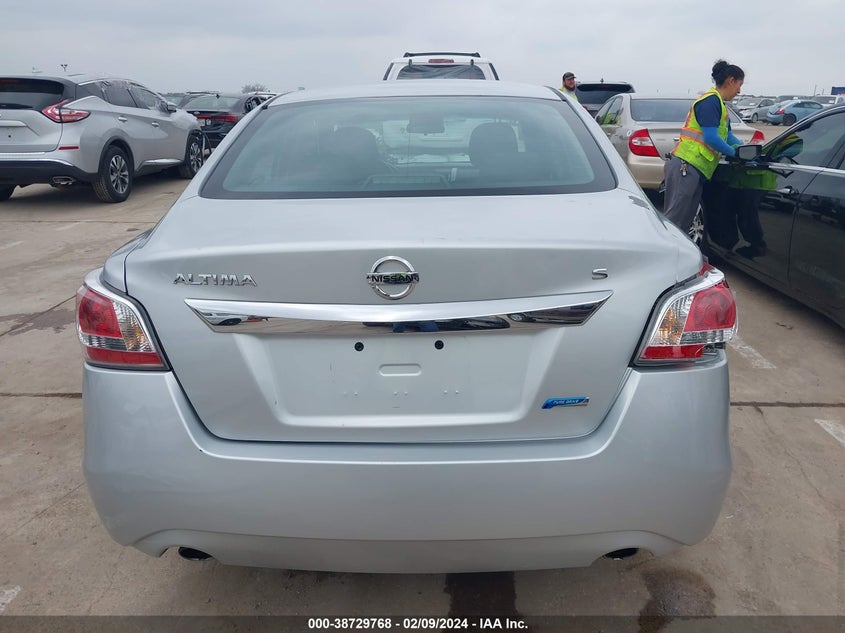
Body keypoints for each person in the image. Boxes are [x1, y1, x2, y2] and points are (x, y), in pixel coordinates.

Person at [663, 60, 745, 234]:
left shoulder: (721, 106)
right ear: (731, 80)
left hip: (696, 168)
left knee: (685, 222)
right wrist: (734, 153)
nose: (739, 91)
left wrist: (745, 149)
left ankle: (679, 250)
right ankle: (664, 250)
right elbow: (711, 138)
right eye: (739, 85)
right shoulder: (710, 101)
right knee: (675, 221)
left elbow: (729, 137)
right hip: (686, 165)